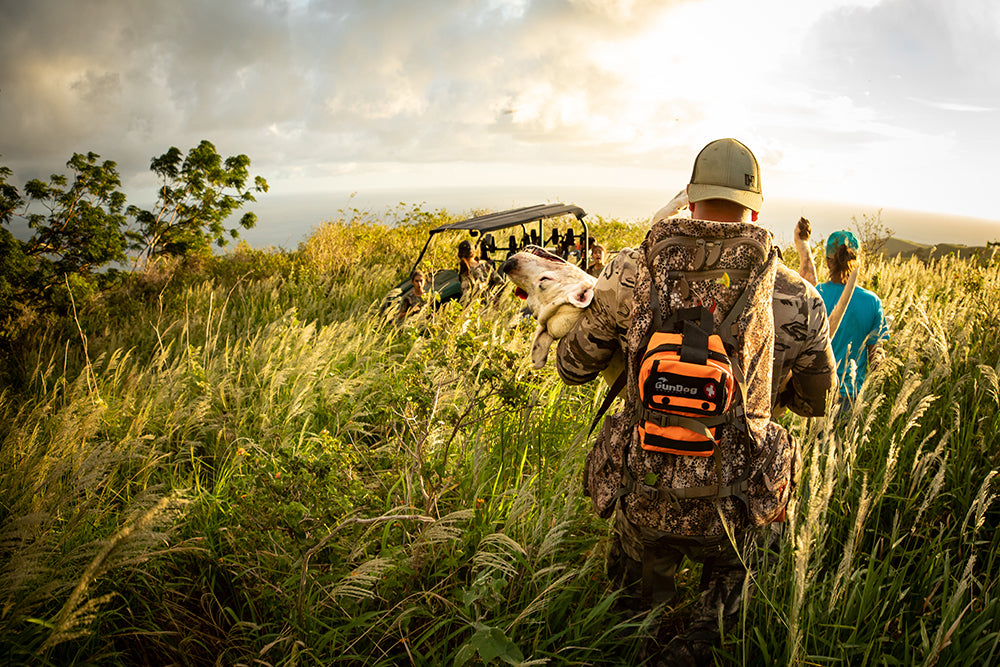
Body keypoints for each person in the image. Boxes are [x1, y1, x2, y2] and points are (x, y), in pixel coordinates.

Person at [556, 139, 836, 666]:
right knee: (727, 623)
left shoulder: (629, 271)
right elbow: (818, 400)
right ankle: (705, 637)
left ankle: (637, 636)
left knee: (623, 625)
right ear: (755, 208)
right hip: (735, 503)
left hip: (645, 488)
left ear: (689, 197)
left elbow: (571, 367)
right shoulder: (799, 297)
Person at [793, 221, 889, 401]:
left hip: (815, 394)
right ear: (857, 260)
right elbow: (877, 358)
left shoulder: (814, 294)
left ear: (828, 260)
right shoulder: (872, 302)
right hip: (851, 397)